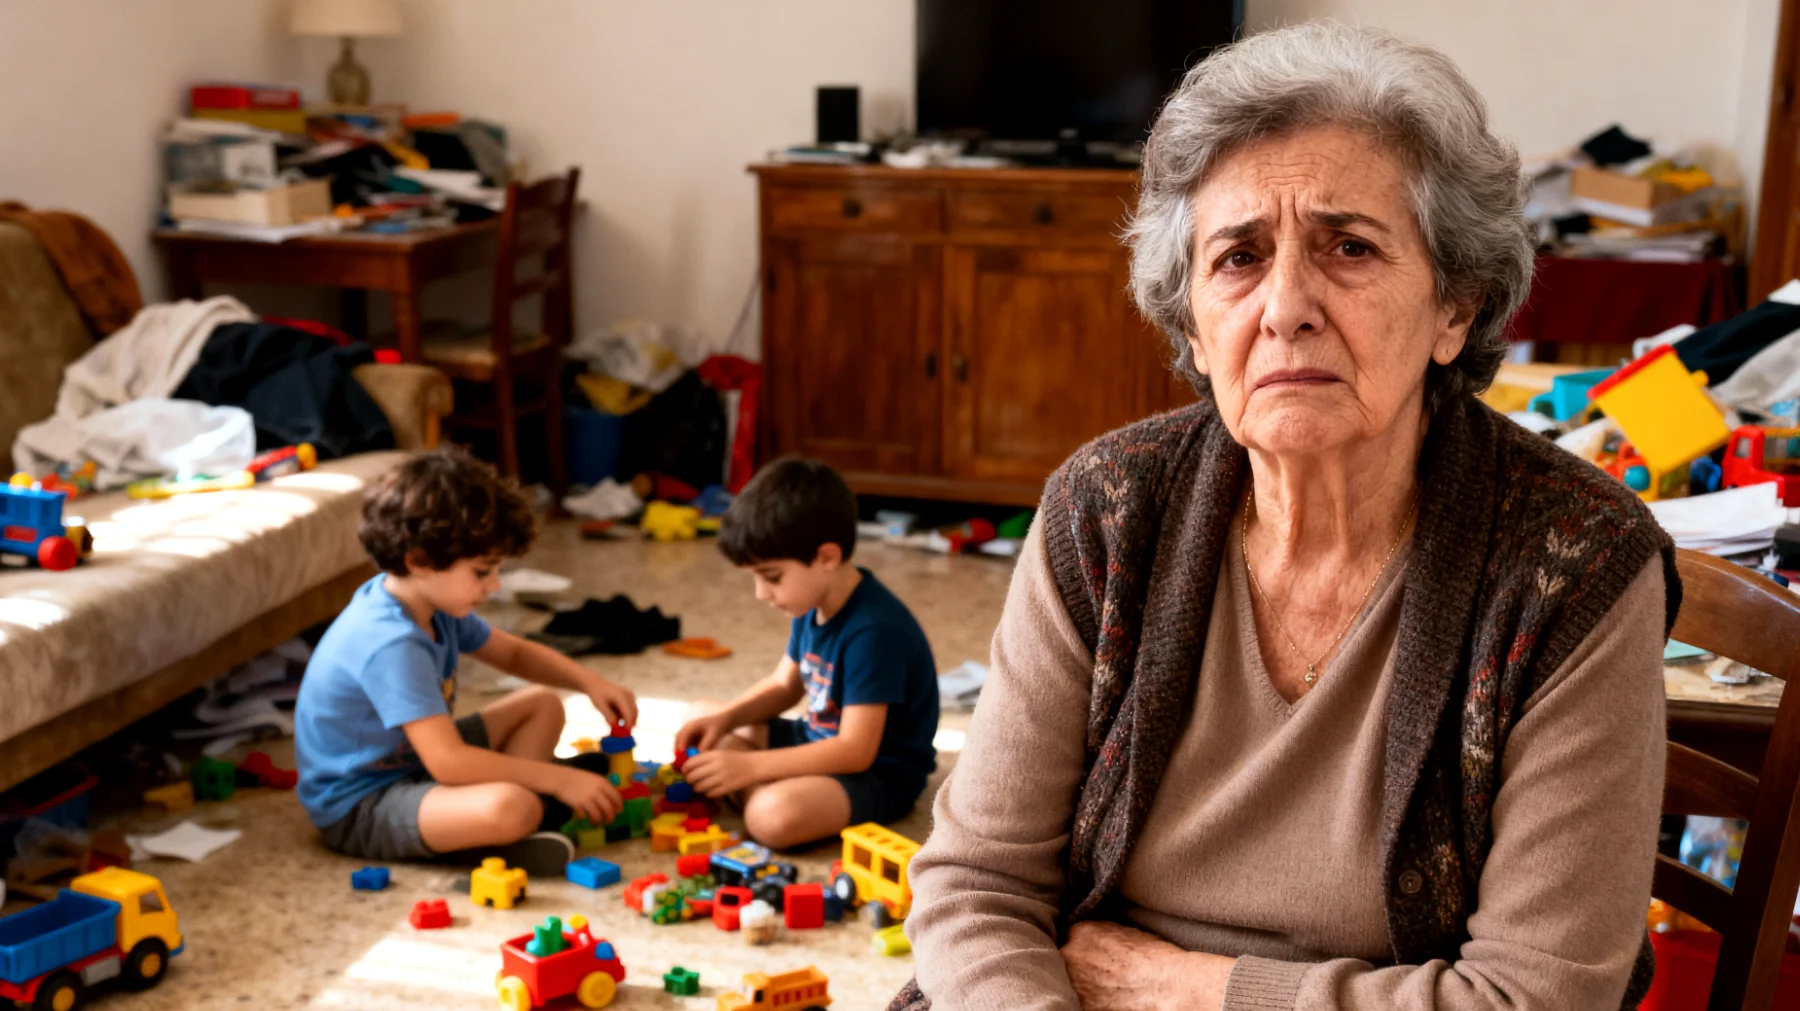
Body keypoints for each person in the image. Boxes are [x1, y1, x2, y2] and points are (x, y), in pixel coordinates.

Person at [895, 22, 1678, 1011]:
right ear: (1191, 323)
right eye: (1239, 257)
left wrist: (1190, 988)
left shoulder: (1576, 566)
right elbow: (977, 885)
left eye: (1349, 248)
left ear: (1456, 309)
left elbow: (1535, 998)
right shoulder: (1107, 510)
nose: (1286, 307)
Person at [295, 447, 638, 874]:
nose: (493, 586)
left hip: (414, 766)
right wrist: (559, 780)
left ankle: (511, 812)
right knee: (511, 807)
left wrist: (589, 682)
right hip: (363, 805)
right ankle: (501, 829)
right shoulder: (390, 642)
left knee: (542, 704)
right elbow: (449, 762)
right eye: (481, 571)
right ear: (419, 560)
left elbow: (513, 653)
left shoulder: (429, 602)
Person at [675, 457, 940, 849]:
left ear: (826, 558)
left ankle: (754, 797)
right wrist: (725, 718)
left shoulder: (876, 632)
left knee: (772, 817)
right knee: (702, 715)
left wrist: (748, 767)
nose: (761, 594)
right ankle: (754, 790)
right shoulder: (812, 602)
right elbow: (784, 686)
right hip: (815, 740)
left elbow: (855, 752)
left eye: (772, 577)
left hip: (877, 773)